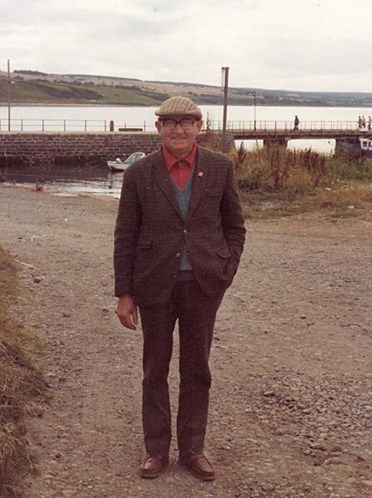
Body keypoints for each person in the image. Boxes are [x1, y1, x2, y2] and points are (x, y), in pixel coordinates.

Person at [114, 96, 246, 481]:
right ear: (158, 128)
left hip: (203, 285)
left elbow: (235, 226)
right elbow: (125, 235)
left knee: (197, 369)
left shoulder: (221, 168)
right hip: (153, 286)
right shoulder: (138, 174)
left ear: (199, 127)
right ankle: (156, 451)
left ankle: (192, 450)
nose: (178, 129)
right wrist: (124, 292)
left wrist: (226, 268)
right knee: (154, 369)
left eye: (186, 122)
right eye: (169, 122)